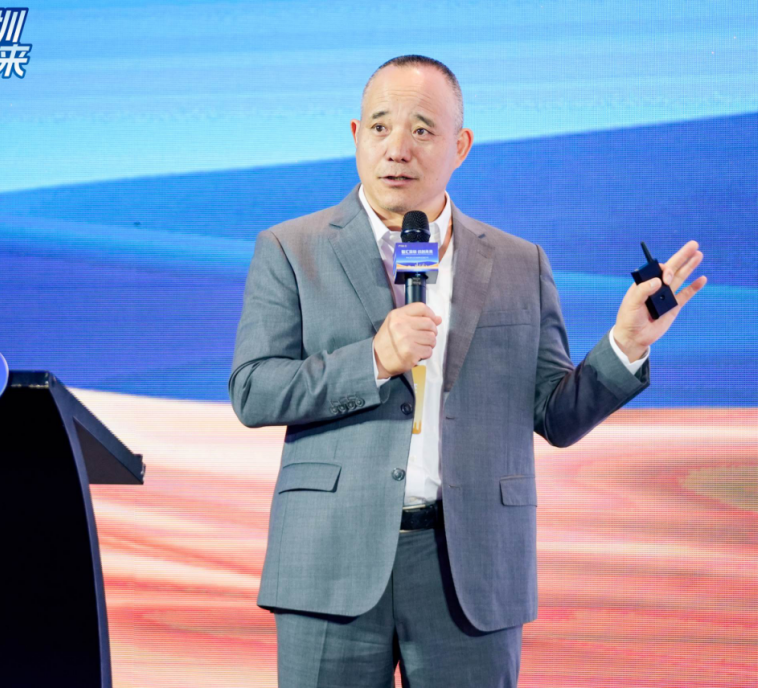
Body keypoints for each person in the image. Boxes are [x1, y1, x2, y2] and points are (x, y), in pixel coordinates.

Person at [229, 54, 707, 688]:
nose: (397, 148)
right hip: (329, 562)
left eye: (422, 130)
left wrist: (625, 345)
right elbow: (254, 389)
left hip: (470, 569)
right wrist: (374, 361)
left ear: (460, 146)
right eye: (380, 127)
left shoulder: (518, 263)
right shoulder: (292, 248)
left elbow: (556, 416)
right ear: (355, 136)